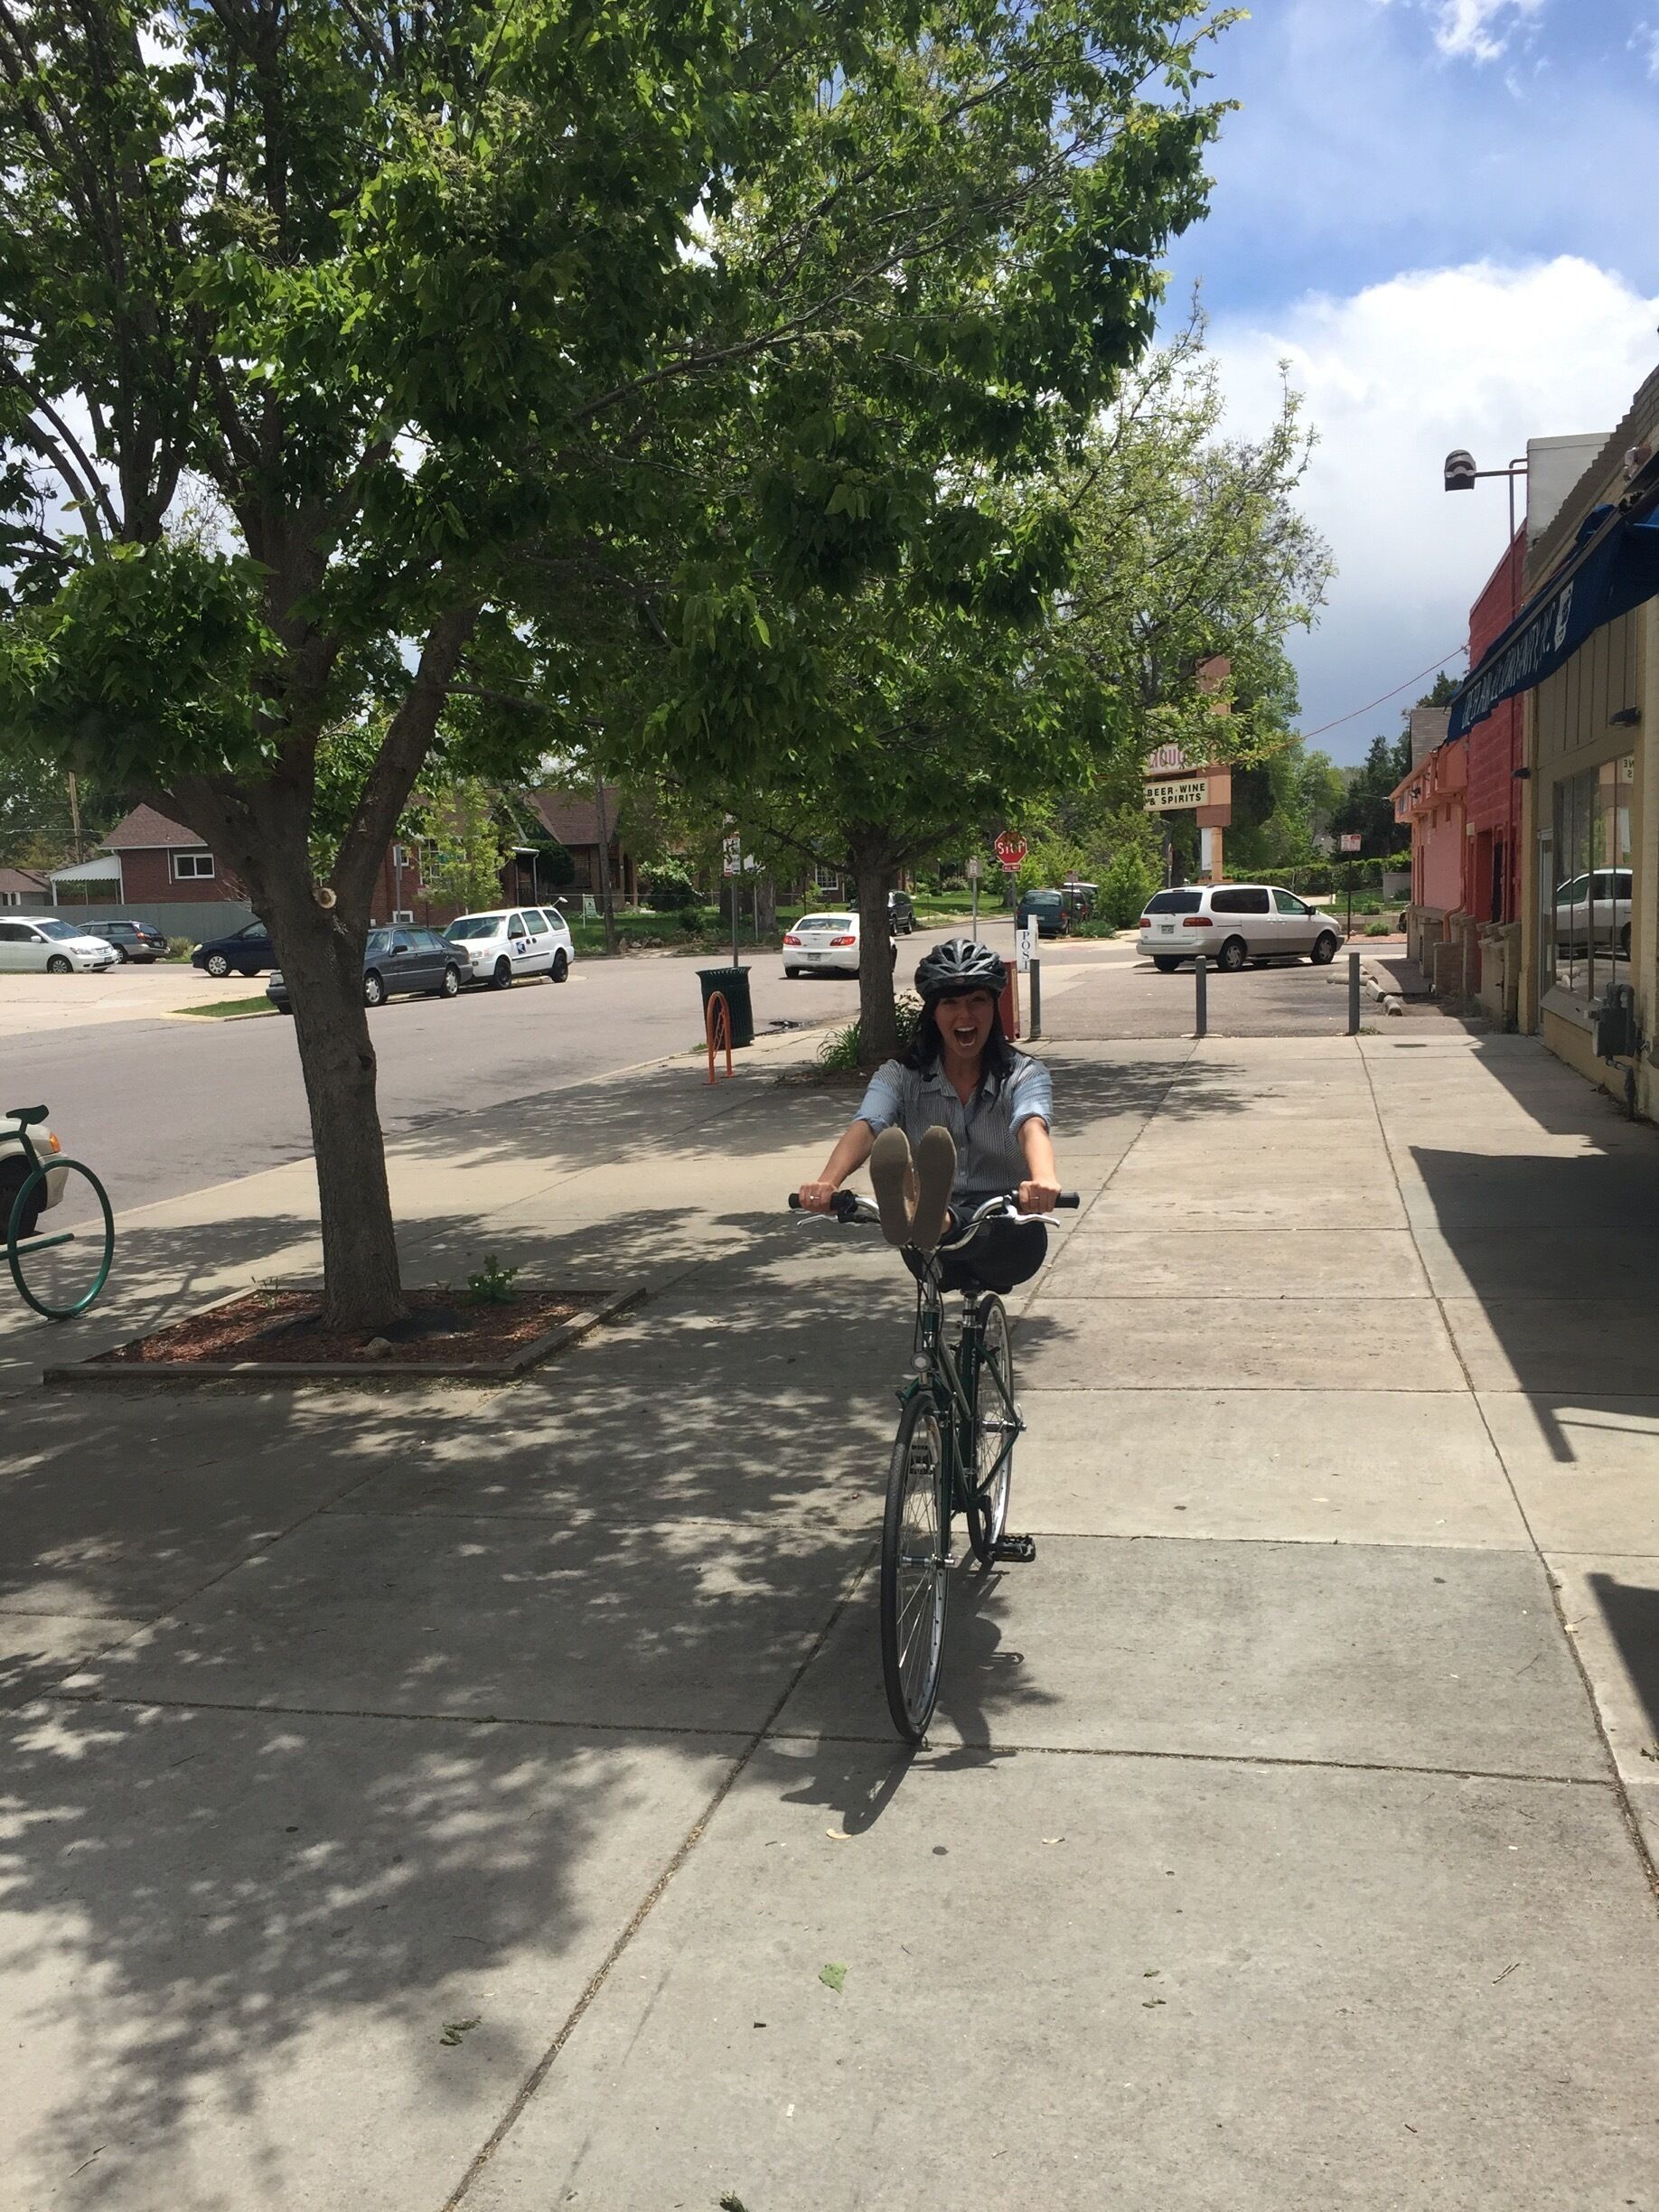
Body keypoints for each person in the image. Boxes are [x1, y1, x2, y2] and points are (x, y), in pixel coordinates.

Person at [796, 937, 1060, 1293]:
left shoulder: (1024, 1074)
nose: (964, 1015)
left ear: (994, 1008)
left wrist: (1042, 1179)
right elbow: (868, 1125)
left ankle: (935, 1216)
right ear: (933, 1013)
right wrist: (828, 1182)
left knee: (965, 1224)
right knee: (924, 1236)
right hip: (928, 1251)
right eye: (950, 1003)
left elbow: (1031, 1125)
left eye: (977, 1001)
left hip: (1007, 1232)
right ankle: (923, 1209)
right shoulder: (900, 1075)